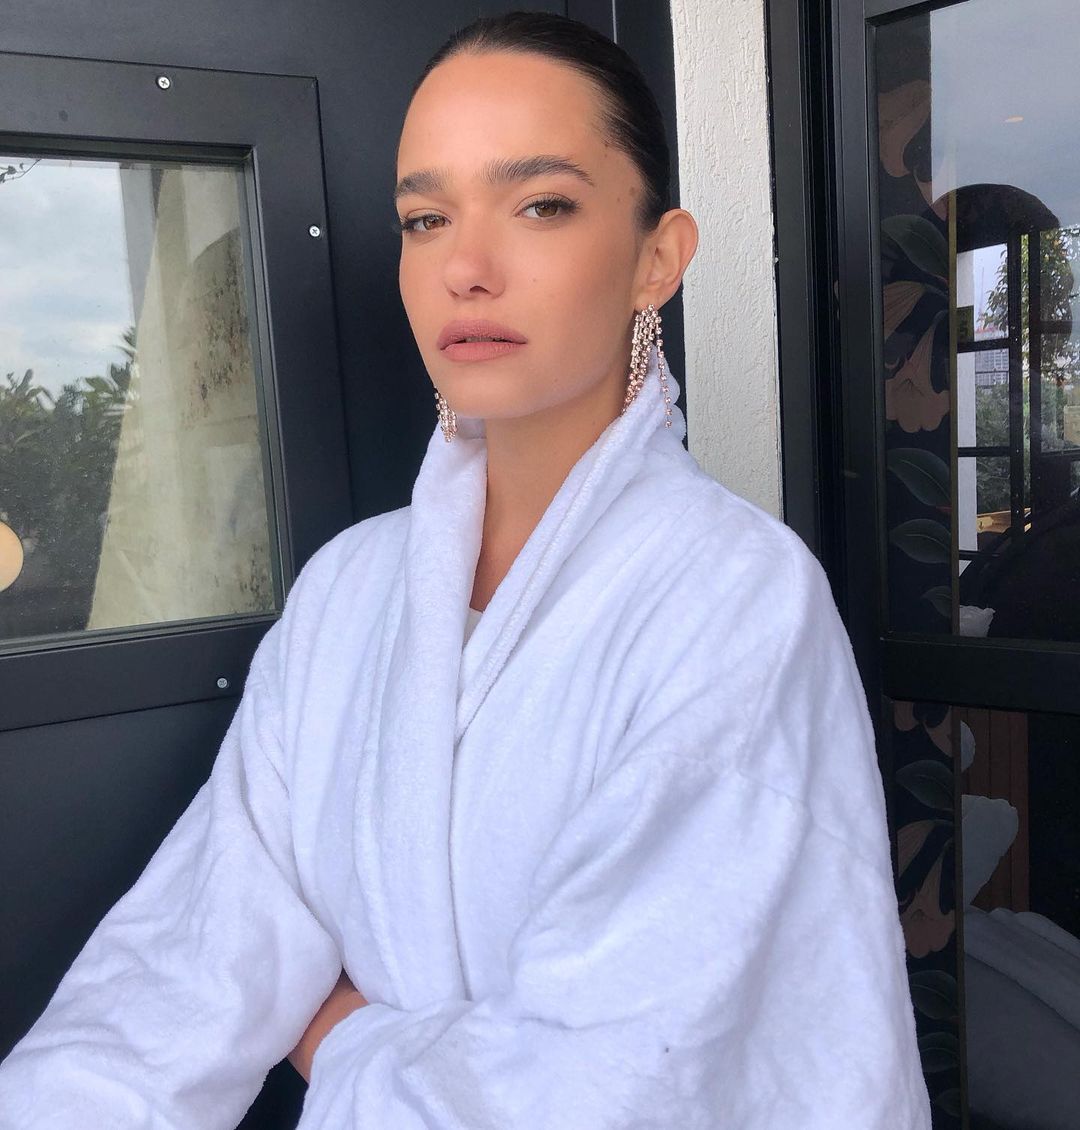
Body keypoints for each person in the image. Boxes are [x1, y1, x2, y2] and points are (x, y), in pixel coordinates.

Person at [0, 11, 932, 1128]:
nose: (466, 269)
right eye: (425, 219)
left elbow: (631, 1081)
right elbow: (183, 963)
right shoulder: (349, 593)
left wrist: (344, 1035)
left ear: (657, 257)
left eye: (542, 204)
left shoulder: (734, 600)